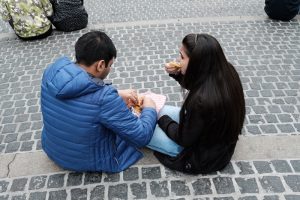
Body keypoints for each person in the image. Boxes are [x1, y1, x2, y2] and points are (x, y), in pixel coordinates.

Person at [40, 31, 157, 173]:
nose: (110, 68)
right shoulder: (105, 98)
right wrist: (150, 107)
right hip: (84, 160)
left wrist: (117, 93)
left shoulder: (51, 73)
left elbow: (83, 96)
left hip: (53, 148)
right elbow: (141, 136)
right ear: (101, 65)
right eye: (110, 64)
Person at [147, 33, 246, 174]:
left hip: (201, 155)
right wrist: (178, 74)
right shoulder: (226, 71)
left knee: (143, 129)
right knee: (157, 109)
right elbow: (199, 83)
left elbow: (184, 139)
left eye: (182, 57)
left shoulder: (201, 101)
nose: (178, 60)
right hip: (213, 138)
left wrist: (162, 120)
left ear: (197, 62)